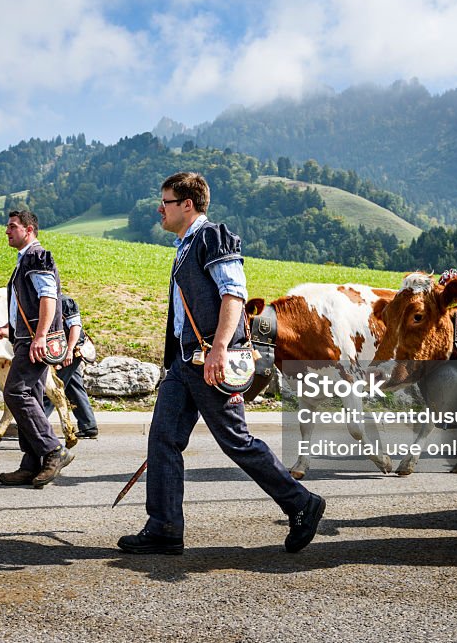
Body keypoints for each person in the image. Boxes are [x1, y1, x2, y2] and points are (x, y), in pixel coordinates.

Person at [117, 172, 325, 555]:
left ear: (187, 205)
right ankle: (164, 527)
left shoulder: (212, 236)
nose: (158, 208)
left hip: (211, 360)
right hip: (184, 363)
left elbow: (234, 295)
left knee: (236, 441)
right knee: (163, 438)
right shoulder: (185, 244)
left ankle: (301, 503)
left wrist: (219, 350)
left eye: (165, 201)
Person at [0, 210, 74, 488]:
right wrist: (10, 327)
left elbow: (49, 297)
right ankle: (31, 464)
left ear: (29, 230)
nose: (7, 231)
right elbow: (28, 303)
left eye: (12, 226)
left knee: (15, 391)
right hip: (26, 338)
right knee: (34, 398)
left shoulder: (36, 257)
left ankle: (53, 450)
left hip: (35, 342)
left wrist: (39, 337)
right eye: (8, 227)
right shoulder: (24, 260)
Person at [43, 295, 99, 438]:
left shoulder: (65, 302)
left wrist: (69, 351)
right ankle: (88, 425)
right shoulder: (49, 301)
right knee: (73, 387)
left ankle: (37, 424)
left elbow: (75, 327)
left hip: (70, 350)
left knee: (52, 388)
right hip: (64, 350)